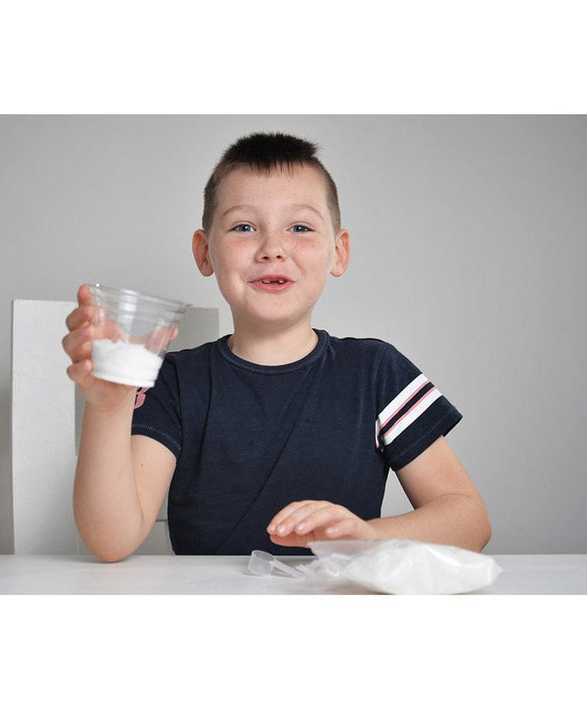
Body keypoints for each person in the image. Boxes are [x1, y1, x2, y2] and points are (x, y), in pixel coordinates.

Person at [62, 132, 491, 561]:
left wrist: (365, 538)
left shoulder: (376, 372)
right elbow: (111, 540)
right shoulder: (174, 381)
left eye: (299, 227)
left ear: (338, 252)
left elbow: (470, 521)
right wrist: (109, 408)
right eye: (244, 227)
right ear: (205, 252)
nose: (272, 249)